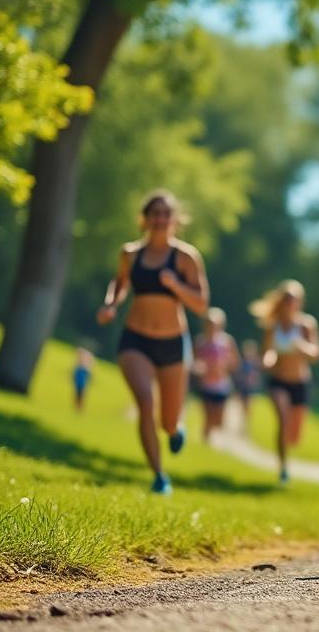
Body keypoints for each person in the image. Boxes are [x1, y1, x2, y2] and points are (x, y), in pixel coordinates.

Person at [96, 190, 210, 495]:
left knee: (167, 421)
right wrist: (111, 304)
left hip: (172, 343)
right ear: (145, 219)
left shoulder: (185, 257)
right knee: (145, 402)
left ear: (174, 220)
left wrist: (176, 285)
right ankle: (159, 475)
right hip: (136, 340)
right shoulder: (130, 254)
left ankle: (175, 428)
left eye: (165, 214)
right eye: (154, 213)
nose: (159, 219)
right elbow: (120, 283)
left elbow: (201, 303)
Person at [251, 280, 319, 484]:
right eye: (287, 300)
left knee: (294, 435)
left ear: (300, 303)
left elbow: (315, 354)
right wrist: (267, 361)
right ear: (281, 302)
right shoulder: (274, 326)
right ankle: (283, 469)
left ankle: (285, 454)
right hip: (278, 381)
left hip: (300, 383)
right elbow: (268, 351)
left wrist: (302, 347)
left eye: (294, 300)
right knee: (282, 420)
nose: (290, 304)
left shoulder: (306, 325)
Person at [193, 307, 240, 441]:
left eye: (214, 324)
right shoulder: (200, 342)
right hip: (205, 384)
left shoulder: (227, 342)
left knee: (218, 420)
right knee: (207, 416)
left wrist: (224, 364)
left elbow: (235, 362)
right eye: (209, 324)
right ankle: (206, 442)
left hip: (222, 384)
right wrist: (199, 367)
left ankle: (212, 436)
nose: (211, 327)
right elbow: (194, 361)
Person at [232, 339, 262, 428]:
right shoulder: (242, 363)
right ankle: (242, 423)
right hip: (243, 387)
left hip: (250, 388)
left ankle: (246, 424)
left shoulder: (256, 363)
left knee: (248, 406)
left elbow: (258, 376)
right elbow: (238, 374)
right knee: (242, 406)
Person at [72, 346, 94, 412]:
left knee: (81, 393)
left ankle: (80, 407)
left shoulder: (86, 358)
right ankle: (77, 407)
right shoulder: (80, 363)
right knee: (77, 393)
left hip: (82, 376)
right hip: (79, 376)